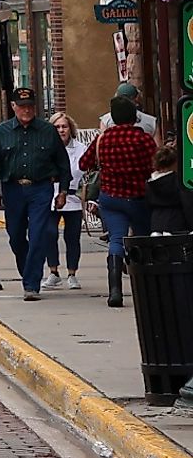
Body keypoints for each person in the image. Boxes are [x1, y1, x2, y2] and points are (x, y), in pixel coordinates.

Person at [0, 86, 70, 300]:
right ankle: (28, 272)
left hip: (40, 188)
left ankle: (31, 284)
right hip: (13, 189)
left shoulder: (47, 131)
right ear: (13, 106)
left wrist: (62, 191)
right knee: (16, 236)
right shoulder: (2, 132)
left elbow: (62, 163)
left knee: (38, 234)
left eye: (30, 106)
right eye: (22, 106)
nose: (27, 110)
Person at [82, 98, 160, 307]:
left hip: (111, 197)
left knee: (116, 239)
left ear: (113, 118)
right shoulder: (142, 139)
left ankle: (115, 290)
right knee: (143, 238)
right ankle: (146, 288)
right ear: (134, 117)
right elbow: (155, 164)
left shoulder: (102, 140)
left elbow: (84, 163)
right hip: (138, 196)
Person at [50, 111, 90, 290]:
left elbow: (83, 171)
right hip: (50, 197)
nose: (61, 130)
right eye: (57, 127)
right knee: (49, 234)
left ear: (70, 128)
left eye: (64, 126)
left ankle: (72, 273)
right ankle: (53, 272)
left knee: (72, 237)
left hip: (73, 197)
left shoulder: (81, 148)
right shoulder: (47, 148)